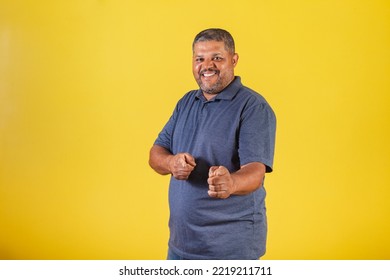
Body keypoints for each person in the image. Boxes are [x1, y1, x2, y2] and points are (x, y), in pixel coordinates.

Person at [149, 28, 276, 260]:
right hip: (180, 247)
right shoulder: (186, 102)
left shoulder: (253, 107)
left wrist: (232, 182)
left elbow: (255, 173)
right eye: (200, 59)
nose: (207, 65)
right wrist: (171, 162)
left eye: (217, 57)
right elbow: (156, 154)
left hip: (229, 252)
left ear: (234, 60)